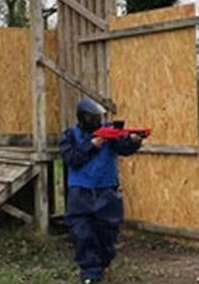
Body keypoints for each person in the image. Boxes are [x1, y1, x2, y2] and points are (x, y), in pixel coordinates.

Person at [60, 98, 145, 284]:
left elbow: (123, 148)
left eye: (99, 117)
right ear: (83, 118)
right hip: (80, 191)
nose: (98, 121)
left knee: (107, 231)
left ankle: (103, 263)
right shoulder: (71, 136)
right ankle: (90, 273)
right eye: (94, 118)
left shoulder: (109, 132)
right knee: (82, 232)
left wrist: (134, 141)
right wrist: (92, 145)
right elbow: (71, 159)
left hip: (107, 190)